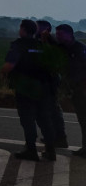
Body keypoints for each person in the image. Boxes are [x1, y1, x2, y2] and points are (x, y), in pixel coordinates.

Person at [1, 19, 57, 161]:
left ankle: (31, 150)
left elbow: (9, 66)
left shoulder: (18, 45)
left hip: (26, 87)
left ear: (23, 30)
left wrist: (2, 74)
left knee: (28, 119)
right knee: (44, 119)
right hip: (44, 87)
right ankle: (51, 151)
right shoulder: (41, 45)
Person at [35, 20, 69, 148]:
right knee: (49, 109)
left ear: (46, 29)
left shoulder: (52, 42)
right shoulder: (41, 40)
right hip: (46, 79)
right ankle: (55, 136)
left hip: (50, 79)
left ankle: (60, 137)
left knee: (53, 109)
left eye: (38, 27)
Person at [55, 24, 86, 157]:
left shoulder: (80, 48)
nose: (58, 37)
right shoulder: (61, 48)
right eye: (57, 35)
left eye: (61, 34)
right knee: (82, 119)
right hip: (72, 88)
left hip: (82, 88)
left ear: (69, 34)